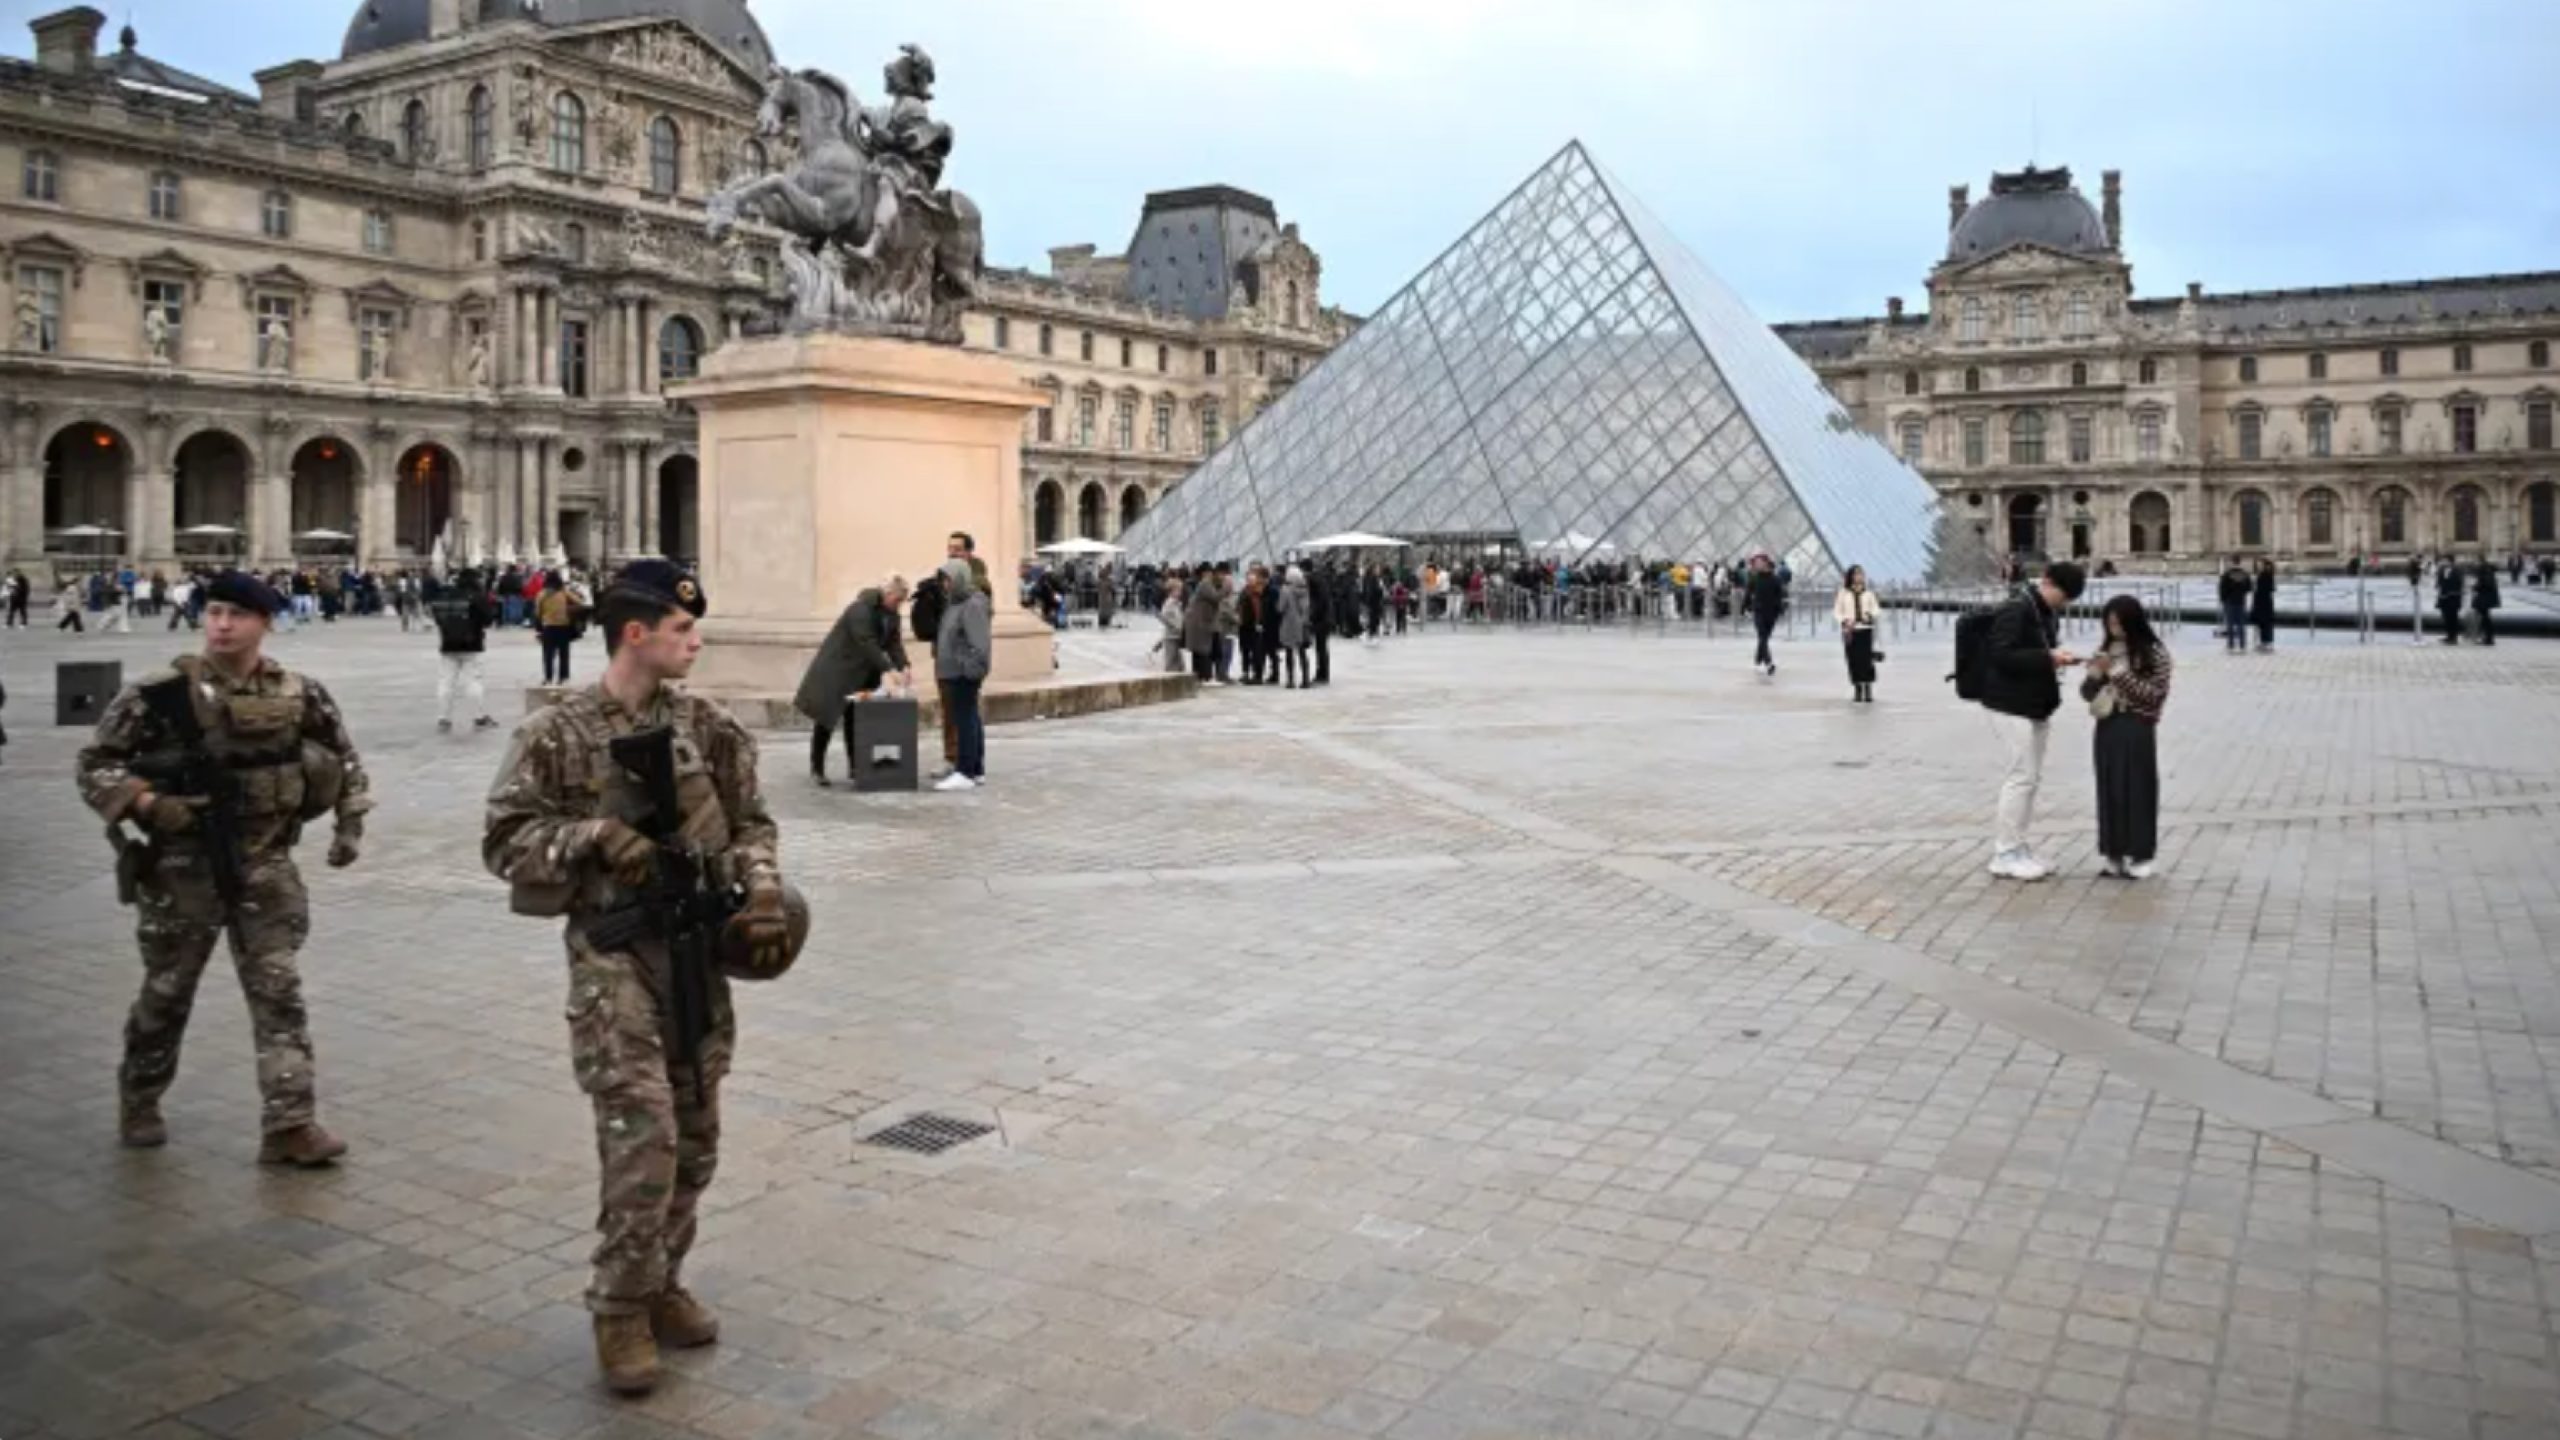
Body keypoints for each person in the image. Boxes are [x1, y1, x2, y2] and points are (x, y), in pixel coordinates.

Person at [483, 560, 790, 1396]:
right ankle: (618, 1308)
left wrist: (761, 888)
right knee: (644, 1135)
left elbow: (753, 823)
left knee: (697, 1138)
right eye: (683, 631)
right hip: (612, 956)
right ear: (635, 634)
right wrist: (587, 836)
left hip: (697, 958)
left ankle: (661, 1279)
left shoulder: (710, 727)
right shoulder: (558, 733)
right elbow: (504, 841)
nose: (695, 642)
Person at [74, 570, 371, 1163]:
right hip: (181, 869)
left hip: (264, 863)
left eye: (236, 615)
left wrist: (350, 824)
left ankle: (290, 1124)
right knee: (167, 993)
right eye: (213, 613)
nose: (221, 625)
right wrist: (149, 803)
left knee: (279, 993)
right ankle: (140, 1097)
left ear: (265, 622)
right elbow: (96, 764)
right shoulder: (159, 693)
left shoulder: (298, 691)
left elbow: (343, 756)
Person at [1981, 560, 2086, 881]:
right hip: (2009, 704)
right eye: (2064, 597)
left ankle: (2019, 846)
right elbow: (1999, 654)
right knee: (2021, 777)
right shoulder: (2016, 608)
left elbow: (2036, 650)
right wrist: (2049, 657)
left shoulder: (2042, 611)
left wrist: (2055, 655)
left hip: (2032, 704)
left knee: (2030, 779)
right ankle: (2005, 852)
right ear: (2049, 583)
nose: (2065, 604)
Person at [2083, 593, 2173, 880]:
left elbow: (2154, 696)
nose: (2114, 629)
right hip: (2108, 723)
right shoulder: (2105, 649)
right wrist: (2094, 676)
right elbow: (2087, 694)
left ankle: (2142, 853)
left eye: (2119, 623)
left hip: (2136, 724)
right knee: (2109, 787)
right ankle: (2113, 852)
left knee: (2138, 788)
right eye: (2109, 623)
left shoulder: (2154, 652)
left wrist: (2118, 673)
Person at [795, 573, 911, 786]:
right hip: (838, 670)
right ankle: (817, 767)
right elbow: (865, 642)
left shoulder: (892, 614)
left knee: (856, 720)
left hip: (863, 673)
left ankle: (856, 767)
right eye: (897, 600)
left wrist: (904, 665)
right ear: (886, 594)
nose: (899, 605)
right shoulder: (859, 610)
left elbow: (894, 643)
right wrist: (889, 669)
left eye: (901, 602)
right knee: (826, 718)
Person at [932, 557, 991, 791]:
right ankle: (975, 769)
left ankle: (965, 770)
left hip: (963, 673)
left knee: (965, 721)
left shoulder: (972, 604)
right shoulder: (954, 603)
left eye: (948, 579)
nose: (945, 584)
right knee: (969, 718)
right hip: (953, 671)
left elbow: (979, 643)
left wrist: (969, 668)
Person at [428, 569, 502, 733]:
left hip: (447, 643)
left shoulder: (446, 595)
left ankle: (443, 718)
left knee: (446, 682)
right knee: (473, 681)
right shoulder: (476, 596)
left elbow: (436, 615)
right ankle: (478, 717)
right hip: (472, 644)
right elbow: (488, 619)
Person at [1834, 565, 1880, 703]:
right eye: (1856, 574)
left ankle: (1868, 688)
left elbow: (1876, 609)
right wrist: (1845, 621)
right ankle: (1857, 688)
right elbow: (1837, 611)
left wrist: (1869, 615)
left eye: (1861, 574)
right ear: (1851, 576)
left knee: (1866, 660)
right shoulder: (1843, 593)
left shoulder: (1869, 593)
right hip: (1850, 631)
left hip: (1865, 630)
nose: (1859, 577)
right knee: (1853, 660)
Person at [536, 570, 584, 685]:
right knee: (564, 653)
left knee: (548, 654)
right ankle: (563, 677)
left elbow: (538, 612)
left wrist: (539, 626)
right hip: (563, 625)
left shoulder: (542, 594)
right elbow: (579, 602)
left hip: (548, 626)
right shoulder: (564, 592)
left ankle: (548, 677)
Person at [1745, 553, 1785, 676]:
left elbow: (1781, 596)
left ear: (1766, 563)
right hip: (1759, 611)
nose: (1756, 565)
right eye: (1755, 563)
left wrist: (1780, 610)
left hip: (1772, 613)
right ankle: (1769, 663)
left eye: (1758, 562)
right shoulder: (1754, 578)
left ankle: (1757, 659)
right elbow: (1748, 593)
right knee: (1762, 636)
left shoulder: (1775, 579)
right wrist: (1745, 608)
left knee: (1764, 638)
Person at [1183, 565, 1221, 684]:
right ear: (1206, 573)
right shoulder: (1205, 584)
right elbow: (1215, 598)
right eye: (1210, 572)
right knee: (1204, 650)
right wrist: (1226, 588)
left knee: (1199, 650)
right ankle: (1206, 677)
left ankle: (1198, 676)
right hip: (1201, 624)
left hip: (1197, 623)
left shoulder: (1201, 584)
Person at [1277, 565, 1312, 689]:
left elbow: (1280, 608)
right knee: (1302, 652)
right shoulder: (1305, 590)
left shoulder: (1285, 590)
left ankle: (1291, 680)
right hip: (1302, 624)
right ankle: (1306, 679)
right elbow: (1306, 607)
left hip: (1289, 624)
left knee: (1289, 652)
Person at [1237, 566, 1270, 686]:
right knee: (1245, 650)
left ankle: (1257, 674)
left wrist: (1258, 623)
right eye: (1249, 580)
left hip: (1253, 626)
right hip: (1245, 626)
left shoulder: (1256, 594)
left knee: (1256, 651)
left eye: (1252, 580)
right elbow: (1239, 608)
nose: (1250, 582)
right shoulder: (1245, 592)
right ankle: (1247, 672)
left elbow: (1258, 610)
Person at [2217, 557, 2250, 654]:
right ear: (2240, 562)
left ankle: (2231, 645)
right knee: (2241, 624)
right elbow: (2249, 588)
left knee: (2230, 624)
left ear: (2232, 562)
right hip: (2241, 601)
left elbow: (2222, 589)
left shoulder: (2227, 575)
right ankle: (2242, 645)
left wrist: (2223, 599)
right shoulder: (2245, 574)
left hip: (2230, 601)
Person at [1157, 577, 1187, 674]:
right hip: (1170, 636)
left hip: (1176, 636)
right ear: (1171, 591)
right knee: (1170, 661)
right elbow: (1163, 617)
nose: (1180, 593)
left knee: (1180, 663)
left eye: (1180, 590)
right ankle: (1168, 678)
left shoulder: (1177, 604)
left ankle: (1178, 676)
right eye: (1178, 590)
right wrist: (1175, 626)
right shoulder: (1169, 603)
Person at [2472, 554, 2501, 646]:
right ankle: (2486, 637)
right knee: (2484, 617)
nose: (2474, 564)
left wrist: (2476, 587)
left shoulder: (2485, 570)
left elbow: (2486, 584)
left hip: (2485, 597)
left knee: (2485, 618)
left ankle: (2489, 638)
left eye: (2475, 562)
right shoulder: (2485, 569)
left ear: (2479, 561)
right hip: (2486, 597)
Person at [2249, 558, 2277, 652]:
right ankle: (2265, 642)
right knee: (2265, 623)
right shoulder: (2268, 575)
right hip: (2265, 602)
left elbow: (2266, 588)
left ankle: (2266, 642)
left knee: (2264, 623)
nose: (2259, 567)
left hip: (2262, 602)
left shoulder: (2265, 575)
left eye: (2260, 565)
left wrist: (2256, 585)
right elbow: (2272, 589)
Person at [2435, 559, 2465, 645]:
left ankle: (2453, 637)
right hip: (2444, 597)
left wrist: (2451, 591)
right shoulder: (2442, 570)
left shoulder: (2457, 570)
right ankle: (2449, 635)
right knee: (2446, 617)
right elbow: (2441, 582)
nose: (2442, 562)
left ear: (2450, 561)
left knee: (2453, 617)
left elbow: (2459, 583)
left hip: (2453, 597)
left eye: (2444, 561)